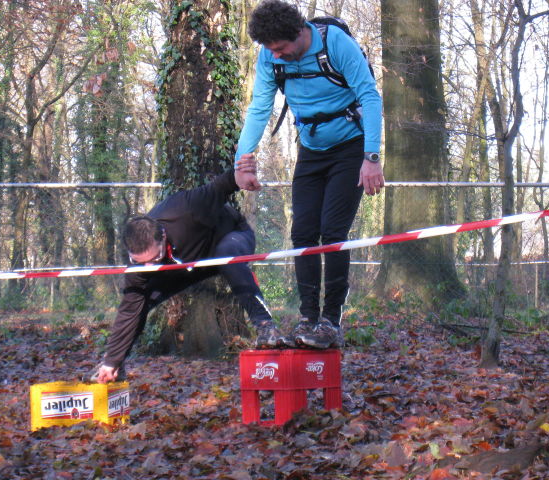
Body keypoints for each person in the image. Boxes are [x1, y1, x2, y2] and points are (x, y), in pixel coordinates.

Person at [235, 0, 384, 349]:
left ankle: (331, 322)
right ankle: (307, 319)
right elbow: (260, 107)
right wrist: (243, 159)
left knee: (332, 232)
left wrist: (372, 157)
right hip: (312, 150)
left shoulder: (335, 44)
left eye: (282, 48)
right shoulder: (271, 56)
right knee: (302, 231)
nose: (277, 55)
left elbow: (369, 96)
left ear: (299, 33)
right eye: (271, 50)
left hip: (351, 147)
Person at [92, 168, 279, 384]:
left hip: (228, 239)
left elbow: (221, 185)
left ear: (162, 235)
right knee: (142, 299)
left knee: (226, 255)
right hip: (183, 267)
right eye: (141, 262)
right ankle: (116, 365)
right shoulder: (140, 267)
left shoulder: (185, 209)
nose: (148, 267)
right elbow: (129, 309)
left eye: (154, 258)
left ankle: (266, 327)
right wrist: (111, 360)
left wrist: (240, 176)